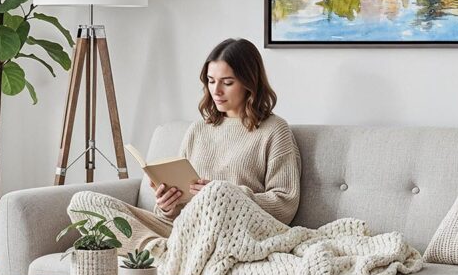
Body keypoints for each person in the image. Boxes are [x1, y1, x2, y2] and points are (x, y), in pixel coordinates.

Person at [67, 37, 301, 256]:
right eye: (211, 81)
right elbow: (174, 213)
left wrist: (225, 194)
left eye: (227, 82)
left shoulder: (274, 130)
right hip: (183, 229)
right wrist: (168, 206)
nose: (216, 91)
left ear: (250, 83)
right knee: (83, 202)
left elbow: (285, 204)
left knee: (218, 192)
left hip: (234, 232)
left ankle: (166, 255)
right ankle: (158, 251)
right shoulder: (198, 129)